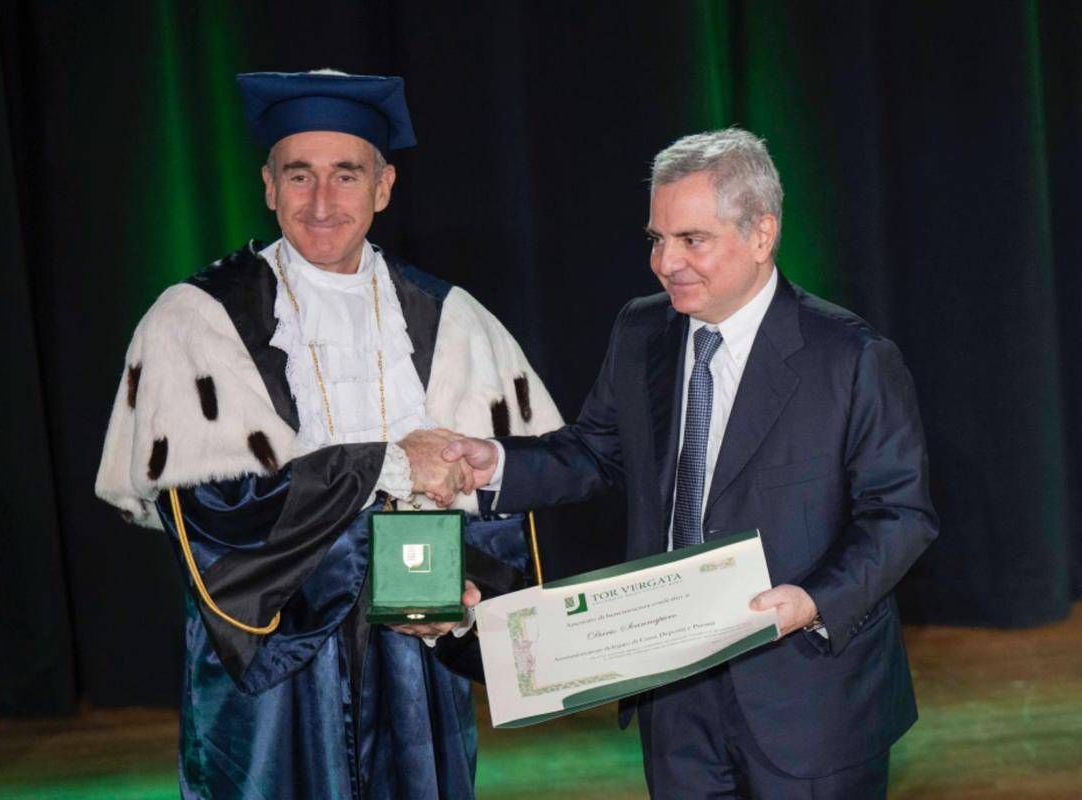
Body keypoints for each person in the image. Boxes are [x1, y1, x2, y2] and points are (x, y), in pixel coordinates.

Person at [94, 70, 561, 799]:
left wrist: (467, 596)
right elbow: (215, 516)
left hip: (414, 654)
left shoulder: (452, 319)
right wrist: (388, 465)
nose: (321, 202)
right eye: (299, 175)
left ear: (384, 186)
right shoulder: (195, 321)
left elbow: (506, 502)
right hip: (273, 667)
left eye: (346, 175)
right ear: (268, 186)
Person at [437, 128, 938, 797]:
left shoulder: (851, 357)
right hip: (674, 698)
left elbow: (900, 514)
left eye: (691, 240)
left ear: (761, 235)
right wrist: (494, 464)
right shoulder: (641, 331)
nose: (665, 262)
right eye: (656, 238)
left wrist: (812, 601)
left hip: (809, 695)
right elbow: (593, 451)